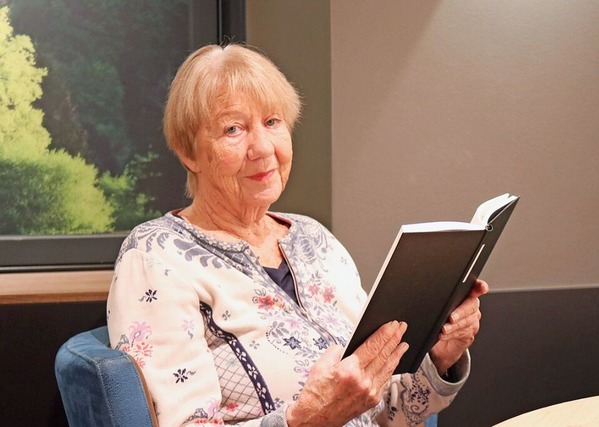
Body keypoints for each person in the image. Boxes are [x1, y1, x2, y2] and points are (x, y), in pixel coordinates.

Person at [106, 43, 488, 427]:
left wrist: (442, 356)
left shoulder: (314, 238)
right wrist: (306, 420)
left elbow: (388, 411)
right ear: (188, 152)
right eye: (233, 129)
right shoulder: (156, 256)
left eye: (272, 122)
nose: (263, 148)